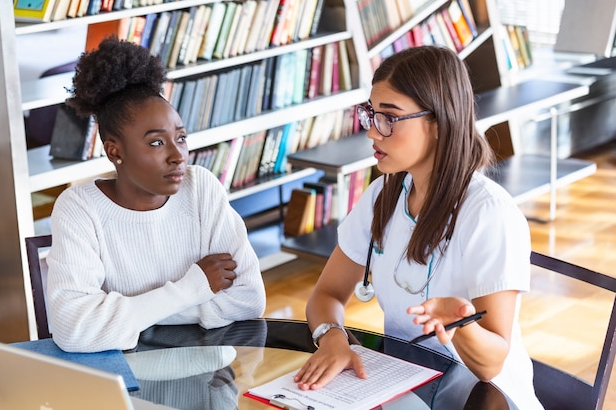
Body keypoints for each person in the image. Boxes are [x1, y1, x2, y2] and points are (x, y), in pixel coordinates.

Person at [294, 46, 543, 409]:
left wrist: (459, 325)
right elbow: (327, 295)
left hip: (483, 398)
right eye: (371, 114)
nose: (373, 133)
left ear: (439, 123)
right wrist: (333, 337)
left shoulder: (490, 214)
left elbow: (492, 364)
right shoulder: (383, 194)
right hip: (405, 383)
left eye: (390, 118)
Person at [45, 36, 266, 353]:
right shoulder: (79, 208)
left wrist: (130, 317)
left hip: (212, 381)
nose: (178, 156)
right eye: (157, 143)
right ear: (114, 151)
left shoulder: (200, 188)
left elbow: (248, 299)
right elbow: (72, 329)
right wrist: (195, 288)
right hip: (126, 391)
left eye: (181, 138)